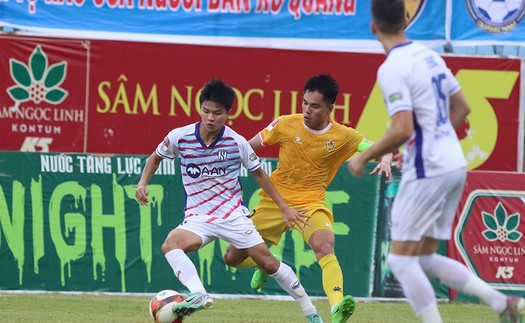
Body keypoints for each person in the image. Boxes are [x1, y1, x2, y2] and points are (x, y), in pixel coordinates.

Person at [347, 1, 525, 322]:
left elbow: (401, 127)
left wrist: (364, 156)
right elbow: (463, 108)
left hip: (428, 168)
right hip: (453, 163)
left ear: (373, 27)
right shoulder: (429, 56)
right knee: (425, 257)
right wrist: (432, 140)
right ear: (405, 19)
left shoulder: (392, 67)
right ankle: (501, 303)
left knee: (401, 262)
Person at [135, 79, 324, 323]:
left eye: (217, 113)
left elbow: (260, 175)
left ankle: (312, 313)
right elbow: (155, 157)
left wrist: (284, 208)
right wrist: (142, 183)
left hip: (233, 216)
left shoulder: (237, 143)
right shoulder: (179, 137)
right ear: (199, 108)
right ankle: (199, 295)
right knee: (170, 245)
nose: (210, 118)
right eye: (206, 111)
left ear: (228, 114)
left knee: (268, 264)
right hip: (198, 217)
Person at [223, 74, 392, 323]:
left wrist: (386, 159)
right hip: (274, 200)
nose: (306, 110)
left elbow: (382, 146)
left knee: (325, 245)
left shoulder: (342, 136)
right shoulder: (284, 124)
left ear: (329, 108)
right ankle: (266, 264)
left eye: (314, 106)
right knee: (232, 258)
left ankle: (337, 307)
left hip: (310, 203)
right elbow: (246, 148)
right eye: (304, 103)